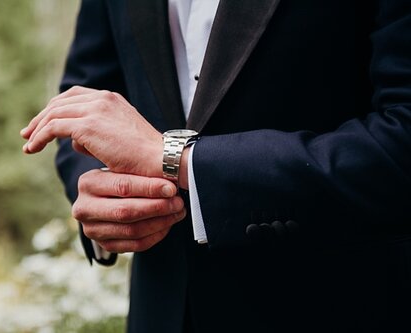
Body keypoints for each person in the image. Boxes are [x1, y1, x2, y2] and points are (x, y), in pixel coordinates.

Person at [20, 0, 411, 332]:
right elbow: (91, 92)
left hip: (339, 304)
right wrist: (98, 191)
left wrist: (180, 160)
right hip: (161, 311)